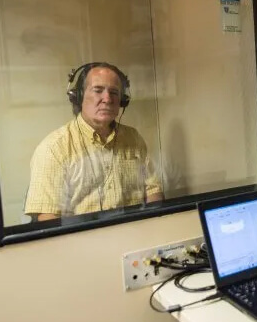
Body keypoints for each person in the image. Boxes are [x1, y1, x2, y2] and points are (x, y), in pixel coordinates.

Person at [25, 62, 163, 221]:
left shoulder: (133, 138)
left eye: (114, 92)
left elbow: (153, 192)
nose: (107, 99)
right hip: (81, 242)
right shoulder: (54, 148)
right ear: (78, 96)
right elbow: (48, 217)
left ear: (122, 100)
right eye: (98, 90)